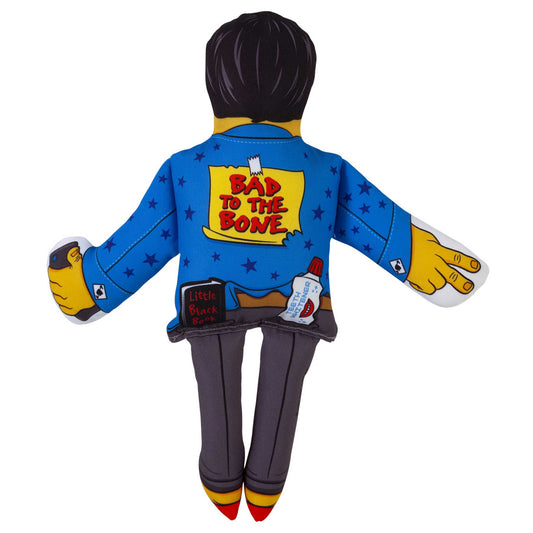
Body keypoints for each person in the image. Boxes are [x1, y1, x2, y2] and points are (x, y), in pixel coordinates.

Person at [48, 11, 488, 521]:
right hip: (301, 299)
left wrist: (91, 285)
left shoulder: (185, 167)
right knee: (286, 379)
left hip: (209, 298)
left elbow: (143, 239)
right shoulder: (326, 169)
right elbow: (374, 221)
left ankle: (220, 480)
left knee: (214, 377)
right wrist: (416, 257)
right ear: (305, 86)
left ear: (213, 84)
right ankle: (265, 487)